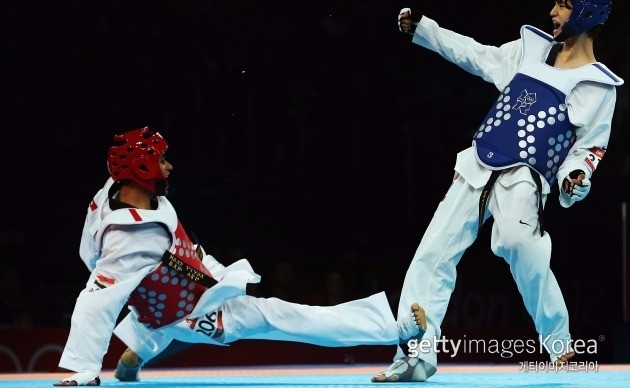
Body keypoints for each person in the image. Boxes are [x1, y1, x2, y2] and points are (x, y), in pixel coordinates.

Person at [372, 0, 623, 383]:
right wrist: (427, 29)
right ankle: (413, 358)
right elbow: (476, 54)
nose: (553, 11)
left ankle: (559, 343)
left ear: (588, 13)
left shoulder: (599, 87)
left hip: (524, 179)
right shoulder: (530, 50)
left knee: (519, 243)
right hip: (476, 165)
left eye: (564, 4)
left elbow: (589, 150)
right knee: (432, 254)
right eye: (555, 2)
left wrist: (576, 177)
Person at [54, 126, 425, 386]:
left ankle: (139, 349)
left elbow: (100, 251)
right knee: (278, 315)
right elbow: (96, 300)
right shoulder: (130, 237)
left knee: (147, 334)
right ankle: (396, 330)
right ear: (141, 170)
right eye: (163, 161)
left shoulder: (116, 191)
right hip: (190, 310)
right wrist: (84, 368)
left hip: (173, 289)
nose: (170, 167)